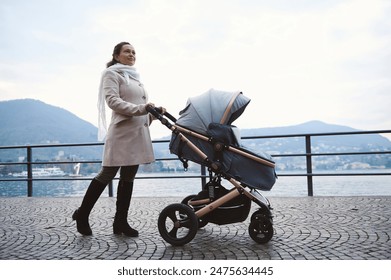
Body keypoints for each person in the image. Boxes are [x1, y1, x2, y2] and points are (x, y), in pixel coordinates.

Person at [72, 42, 164, 237]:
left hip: (137, 134)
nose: (131, 54)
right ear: (116, 55)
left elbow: (141, 110)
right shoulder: (111, 74)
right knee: (106, 175)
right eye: (127, 51)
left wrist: (154, 113)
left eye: (134, 52)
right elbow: (113, 102)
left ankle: (120, 222)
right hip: (121, 134)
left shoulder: (135, 77)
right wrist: (143, 108)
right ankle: (82, 215)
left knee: (128, 178)